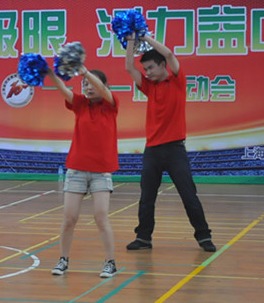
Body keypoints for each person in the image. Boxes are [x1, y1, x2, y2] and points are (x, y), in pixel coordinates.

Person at [124, 33, 215, 252]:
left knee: (188, 195)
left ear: (163, 65)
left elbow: (169, 53)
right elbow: (129, 68)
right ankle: (143, 238)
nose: (147, 72)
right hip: (152, 150)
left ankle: (204, 236)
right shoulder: (149, 86)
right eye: (145, 69)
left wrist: (145, 36)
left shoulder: (177, 80)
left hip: (175, 149)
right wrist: (130, 41)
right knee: (147, 197)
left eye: (150, 68)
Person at [47, 65, 119, 278]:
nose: (88, 87)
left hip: (101, 171)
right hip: (76, 169)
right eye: (85, 84)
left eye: (92, 83)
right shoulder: (80, 104)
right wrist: (50, 73)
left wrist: (85, 72)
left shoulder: (111, 104)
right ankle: (63, 260)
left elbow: (104, 91)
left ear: (104, 85)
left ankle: (110, 262)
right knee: (69, 218)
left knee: (100, 217)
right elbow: (63, 90)